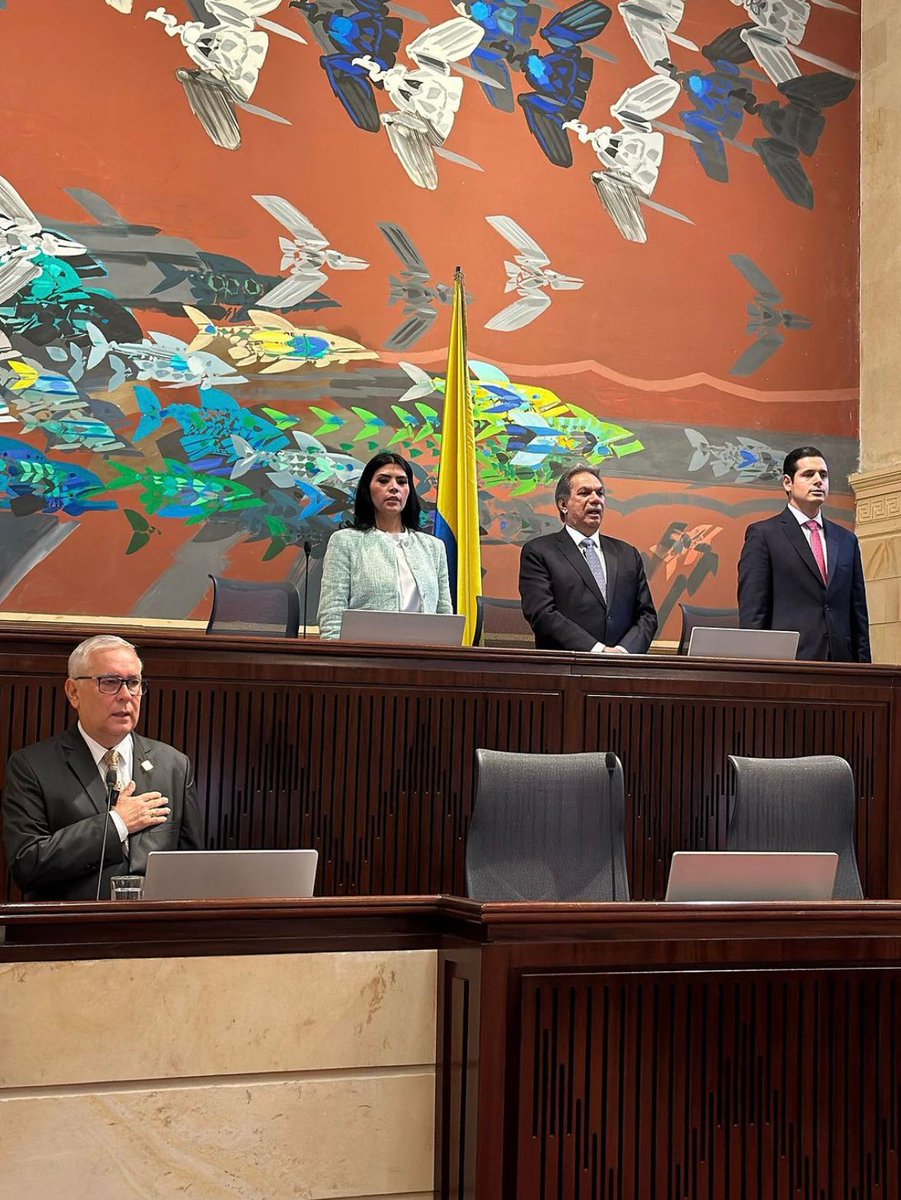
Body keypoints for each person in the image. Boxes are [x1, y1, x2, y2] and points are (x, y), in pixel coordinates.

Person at [2, 635, 203, 901]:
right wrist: (116, 824)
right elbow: (27, 864)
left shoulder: (174, 765)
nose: (125, 696)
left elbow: (191, 867)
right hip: (70, 932)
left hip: (154, 932)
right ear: (73, 692)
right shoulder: (32, 766)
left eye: (133, 683)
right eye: (109, 682)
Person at [738, 446, 871, 662]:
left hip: (842, 665)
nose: (818, 480)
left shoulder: (847, 540)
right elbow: (754, 612)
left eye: (824, 475)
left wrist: (865, 673)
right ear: (787, 483)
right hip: (787, 663)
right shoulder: (764, 535)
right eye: (808, 474)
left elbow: (858, 615)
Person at [519, 464, 658, 653]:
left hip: (622, 670)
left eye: (600, 494)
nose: (595, 500)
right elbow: (543, 614)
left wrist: (623, 652)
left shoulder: (627, 554)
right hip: (566, 669)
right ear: (563, 504)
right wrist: (598, 651)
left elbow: (647, 616)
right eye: (585, 493)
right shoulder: (539, 552)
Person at [317, 451, 453, 639]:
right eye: (383, 480)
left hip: (422, 661)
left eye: (401, 482)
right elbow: (332, 614)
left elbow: (444, 616)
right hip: (362, 659)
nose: (394, 488)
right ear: (367, 489)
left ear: (409, 491)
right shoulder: (345, 541)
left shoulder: (433, 547)